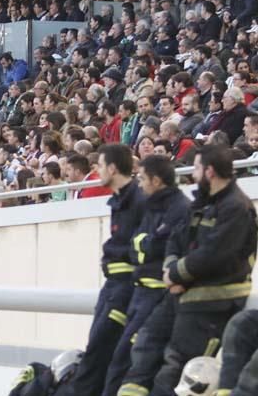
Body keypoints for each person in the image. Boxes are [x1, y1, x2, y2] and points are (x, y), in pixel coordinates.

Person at [120, 145, 257, 396]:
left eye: (195, 168)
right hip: (179, 297)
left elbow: (215, 254)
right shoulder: (200, 204)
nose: (192, 174)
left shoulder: (237, 208)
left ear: (210, 171)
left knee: (174, 371)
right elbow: (175, 239)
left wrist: (175, 274)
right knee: (144, 349)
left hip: (212, 305)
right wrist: (171, 270)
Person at [56, 143, 144, 396]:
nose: (98, 170)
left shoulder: (138, 199)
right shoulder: (120, 199)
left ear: (113, 168)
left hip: (125, 289)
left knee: (101, 351)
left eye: (102, 166)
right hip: (112, 286)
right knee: (96, 347)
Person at [102, 155, 189, 396]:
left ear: (157, 180)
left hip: (156, 295)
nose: (139, 184)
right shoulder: (152, 205)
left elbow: (157, 246)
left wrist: (144, 245)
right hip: (139, 292)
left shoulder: (179, 208)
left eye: (142, 179)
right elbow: (137, 245)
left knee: (125, 358)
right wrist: (145, 245)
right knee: (120, 357)